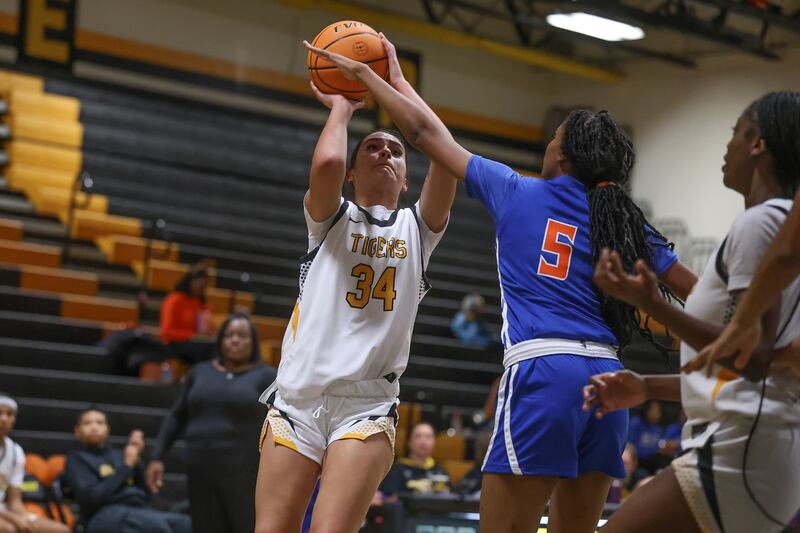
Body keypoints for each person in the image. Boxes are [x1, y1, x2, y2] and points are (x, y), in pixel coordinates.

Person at [305, 37, 697, 533]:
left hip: (544, 372)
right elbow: (700, 293)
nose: (547, 145)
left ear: (566, 155)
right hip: (610, 381)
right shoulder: (625, 220)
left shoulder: (515, 189)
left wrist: (381, 80)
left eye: (553, 138)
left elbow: (425, 134)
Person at [254, 35, 455, 533]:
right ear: (352, 171)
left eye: (395, 150)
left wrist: (400, 84)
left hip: (365, 404)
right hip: (297, 398)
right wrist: (342, 107)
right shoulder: (329, 219)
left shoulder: (417, 228)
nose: (386, 152)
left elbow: (446, 155)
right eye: (373, 147)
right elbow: (323, 165)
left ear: (407, 178)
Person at [583, 91, 800, 533]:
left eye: (735, 133)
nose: (727, 146)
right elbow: (755, 366)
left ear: (757, 141)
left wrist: (651, 303)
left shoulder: (761, 224)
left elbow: (750, 358)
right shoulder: (776, 224)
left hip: (740, 450)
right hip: (761, 449)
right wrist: (647, 387)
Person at [146, 313, 275, 533]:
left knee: (244, 525)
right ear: (220, 340)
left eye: (242, 336)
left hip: (244, 472)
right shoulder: (200, 372)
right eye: (229, 335)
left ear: (253, 342)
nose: (235, 340)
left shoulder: (267, 377)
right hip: (200, 468)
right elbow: (177, 415)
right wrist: (157, 456)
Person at [691, 185, 800, 373]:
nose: (726, 154)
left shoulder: (760, 221)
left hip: (767, 399)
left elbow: (757, 362)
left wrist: (743, 321)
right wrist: (650, 386)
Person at [64, 409, 191, 533]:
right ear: (77, 431)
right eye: (87, 423)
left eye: (100, 423)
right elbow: (93, 498)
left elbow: (146, 493)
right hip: (103, 514)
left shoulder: (121, 455)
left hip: (138, 509)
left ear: (108, 429)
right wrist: (126, 466)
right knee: (154, 526)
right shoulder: (76, 459)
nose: (94, 427)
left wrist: (137, 461)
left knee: (186, 524)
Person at [0, 394, 69, 533]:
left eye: (10, 414)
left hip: (3, 509)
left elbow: (14, 499)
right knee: (10, 529)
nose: (4, 419)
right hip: (4, 515)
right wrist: (14, 519)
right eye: (0, 413)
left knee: (61, 530)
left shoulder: (15, 451)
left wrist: (25, 517)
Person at [377, 422, 451, 501]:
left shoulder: (440, 471)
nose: (423, 441)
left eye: (428, 437)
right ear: (408, 442)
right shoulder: (396, 470)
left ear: (434, 442)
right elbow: (387, 499)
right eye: (418, 436)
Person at [160, 262, 216, 366]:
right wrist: (193, 336)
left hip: (198, 344)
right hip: (176, 345)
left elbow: (209, 329)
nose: (202, 288)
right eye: (199, 283)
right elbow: (167, 332)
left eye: (205, 285)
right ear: (190, 281)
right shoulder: (174, 299)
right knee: (204, 350)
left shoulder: (202, 304)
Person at [627, 400, 666, 473]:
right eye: (655, 409)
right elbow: (631, 448)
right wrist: (655, 450)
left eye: (659, 410)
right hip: (637, 463)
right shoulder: (635, 424)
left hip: (652, 463)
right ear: (646, 409)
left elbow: (661, 444)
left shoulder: (658, 428)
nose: (657, 413)